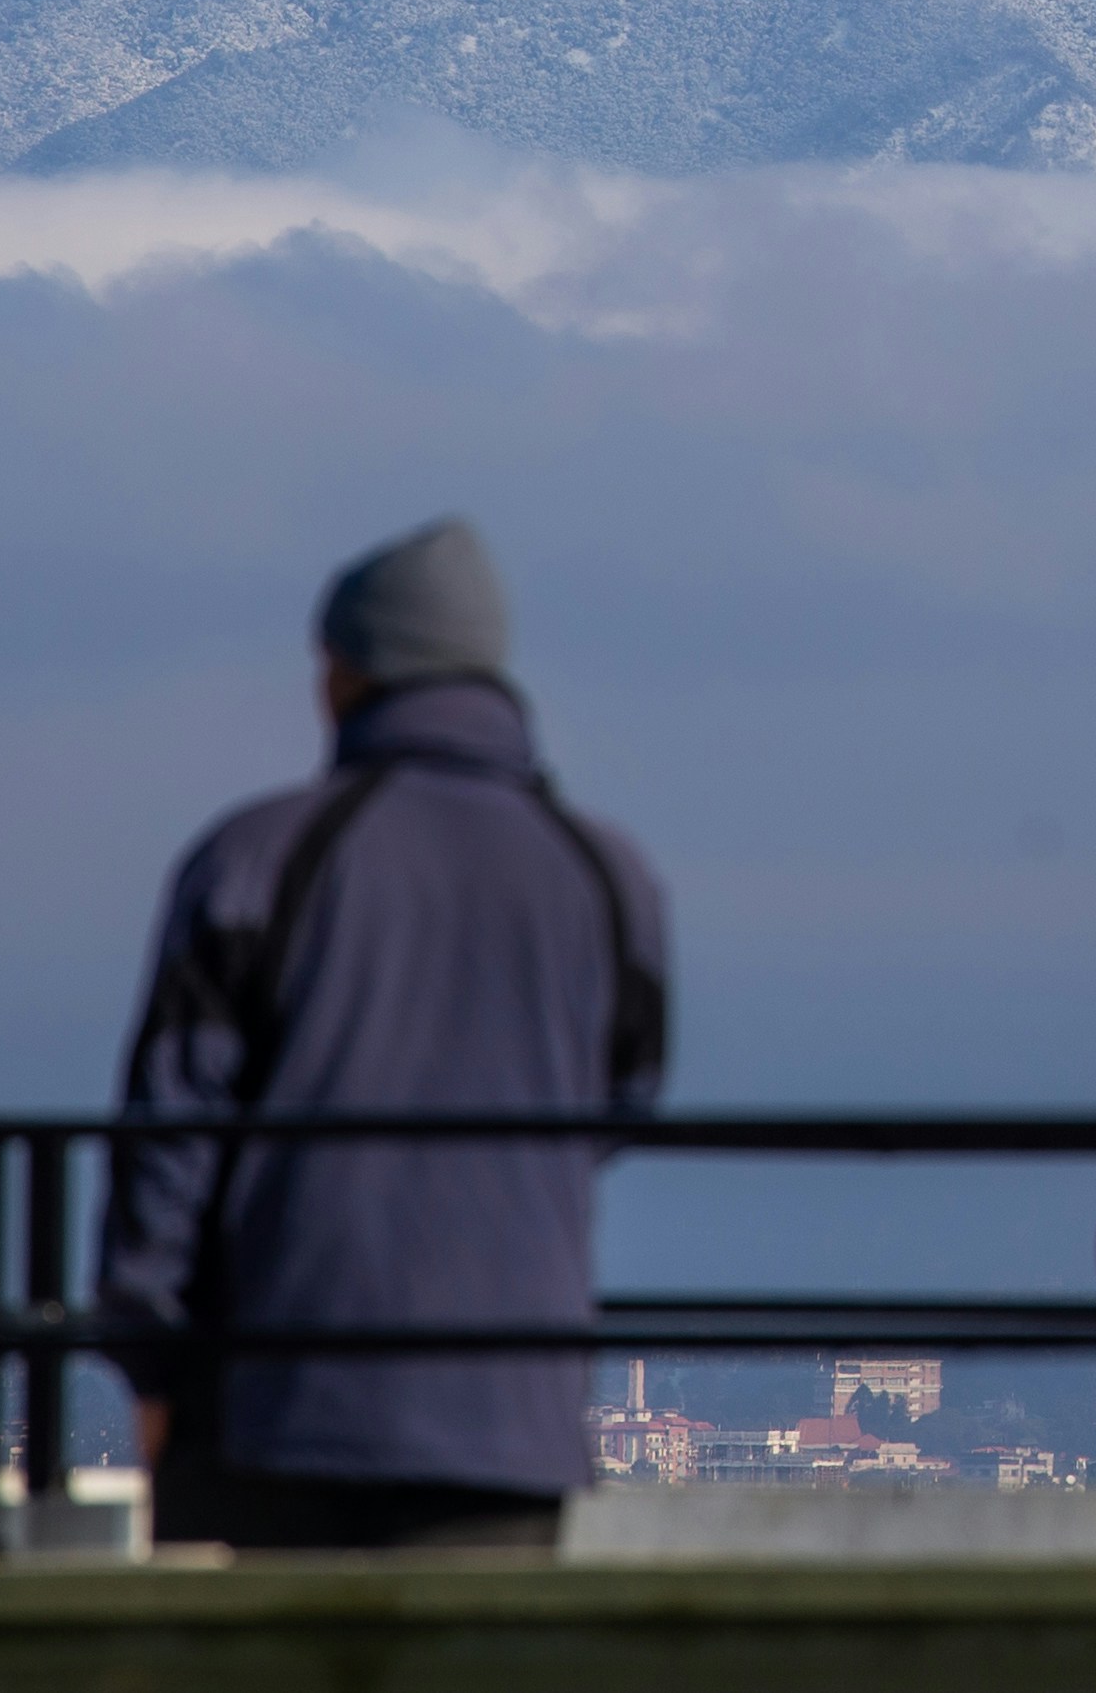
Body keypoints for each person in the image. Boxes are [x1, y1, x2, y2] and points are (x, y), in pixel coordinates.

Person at [95, 518, 669, 1551]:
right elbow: (625, 1096)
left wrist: (151, 1362)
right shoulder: (604, 874)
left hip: (280, 1408)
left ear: (352, 670)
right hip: (515, 1415)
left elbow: (171, 1133)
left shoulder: (259, 856)